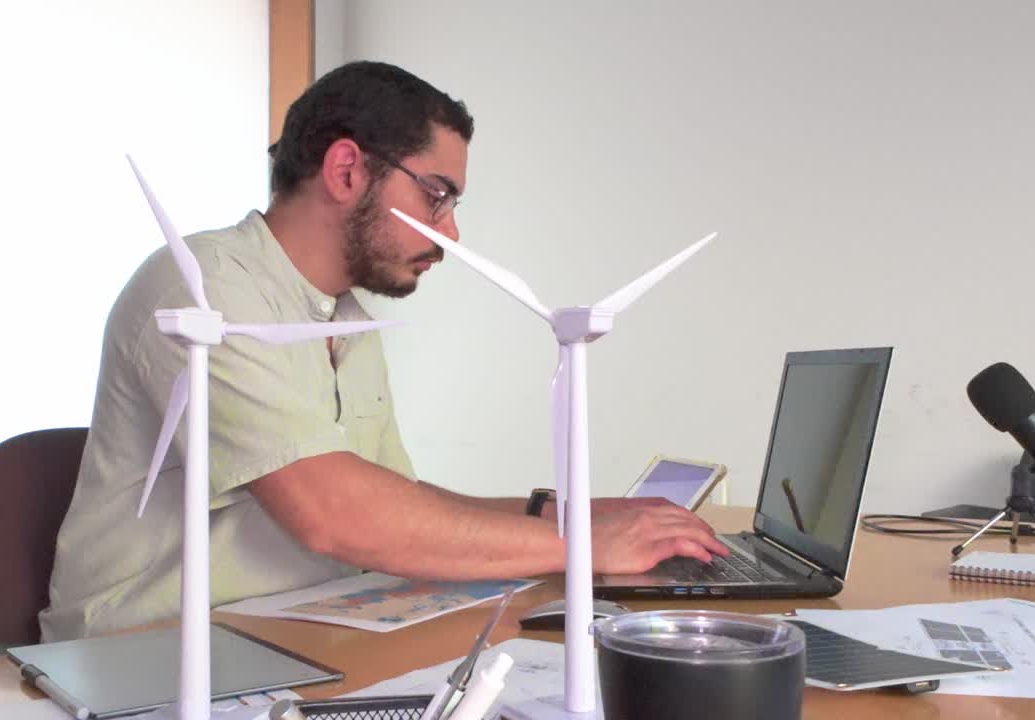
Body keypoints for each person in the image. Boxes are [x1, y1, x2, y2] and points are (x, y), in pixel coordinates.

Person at [40, 61, 726, 642]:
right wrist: (580, 549)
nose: (450, 232)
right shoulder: (204, 289)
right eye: (437, 196)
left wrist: (559, 514)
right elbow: (334, 514)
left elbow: (395, 498)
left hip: (294, 628)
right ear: (345, 170)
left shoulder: (343, 318)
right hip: (149, 653)